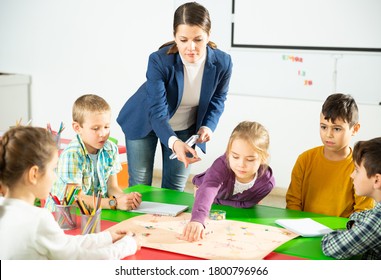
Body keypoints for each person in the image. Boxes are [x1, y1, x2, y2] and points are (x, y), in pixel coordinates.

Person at [117, 2, 233, 191]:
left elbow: (218, 99)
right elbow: (157, 113)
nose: (191, 47)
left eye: (198, 39)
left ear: (208, 35)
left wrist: (207, 126)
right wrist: (173, 143)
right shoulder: (159, 60)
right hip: (145, 121)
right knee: (140, 186)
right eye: (184, 39)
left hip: (185, 127)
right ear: (175, 37)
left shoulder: (223, 62)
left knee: (175, 188)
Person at [0, 126, 140, 259]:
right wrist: (128, 245)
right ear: (34, 174)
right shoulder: (38, 219)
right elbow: (83, 260)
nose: (55, 177)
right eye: (53, 169)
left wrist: (107, 237)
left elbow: (63, 244)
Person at [45, 94, 142, 212]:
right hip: (65, 216)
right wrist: (114, 203)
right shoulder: (72, 154)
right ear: (77, 128)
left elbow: (112, 187)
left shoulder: (110, 149)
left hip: (93, 212)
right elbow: (75, 198)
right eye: (95, 128)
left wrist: (126, 199)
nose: (103, 133)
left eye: (106, 127)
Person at [181, 121, 275, 242]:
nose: (241, 164)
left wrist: (218, 201)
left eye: (250, 159)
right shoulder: (221, 165)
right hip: (205, 188)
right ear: (228, 153)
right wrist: (197, 219)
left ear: (263, 158)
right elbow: (208, 189)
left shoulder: (267, 184)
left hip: (222, 202)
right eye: (235, 157)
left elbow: (248, 204)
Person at [286, 93, 374, 217]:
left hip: (342, 233)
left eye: (337, 129)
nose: (328, 134)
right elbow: (293, 203)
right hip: (303, 228)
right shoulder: (305, 159)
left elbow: (363, 212)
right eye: (323, 127)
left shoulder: (361, 168)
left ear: (354, 129)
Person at [321, 137, 381, 259]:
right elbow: (358, 216)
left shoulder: (377, 222)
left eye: (357, 170)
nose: (352, 175)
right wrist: (357, 226)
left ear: (377, 180)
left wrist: (347, 231)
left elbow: (330, 247)